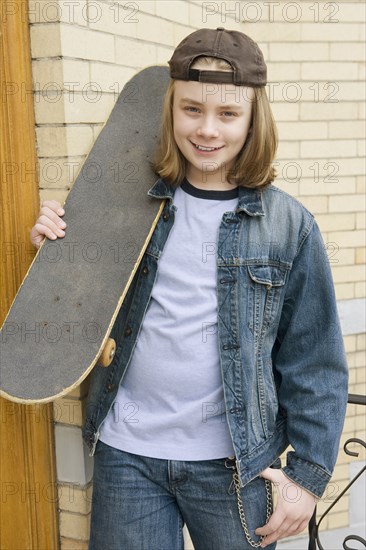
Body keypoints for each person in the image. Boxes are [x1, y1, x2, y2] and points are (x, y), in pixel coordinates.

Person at [30, 28, 348, 550]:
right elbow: (72, 307)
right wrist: (53, 251)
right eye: (191, 109)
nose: (206, 129)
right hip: (127, 456)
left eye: (227, 114)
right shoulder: (125, 205)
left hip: (234, 467)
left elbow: (314, 360)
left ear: (252, 120)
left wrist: (308, 479)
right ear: (170, 109)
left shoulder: (289, 226)